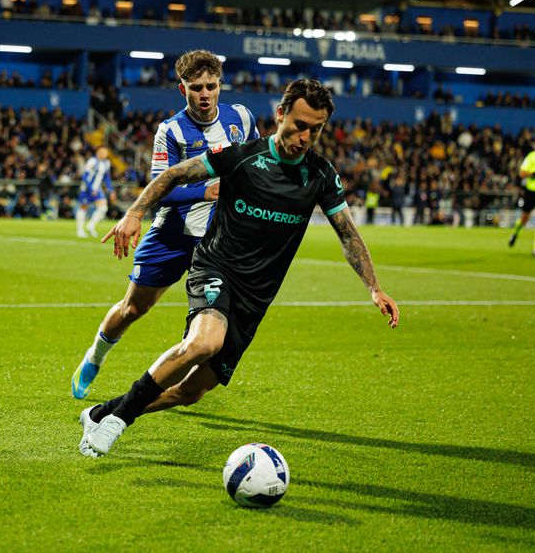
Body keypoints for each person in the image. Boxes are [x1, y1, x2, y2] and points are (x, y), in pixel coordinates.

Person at [78, 78, 399, 457]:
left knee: (191, 391)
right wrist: (135, 213)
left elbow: (347, 234)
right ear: (280, 115)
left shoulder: (320, 175)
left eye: (317, 129)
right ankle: (118, 424)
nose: (306, 136)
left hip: (255, 297)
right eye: (299, 125)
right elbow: (172, 175)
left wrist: (374, 287)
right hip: (215, 267)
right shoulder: (242, 157)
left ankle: (101, 413)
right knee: (203, 342)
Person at [71, 49, 260, 399]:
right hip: (173, 235)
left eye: (211, 86)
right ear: (182, 90)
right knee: (133, 308)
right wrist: (207, 190)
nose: (205, 95)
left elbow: (255, 168)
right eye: (196, 88)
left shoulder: (243, 120)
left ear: (220, 86)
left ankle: (181, 391)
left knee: (215, 328)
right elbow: (162, 191)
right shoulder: (171, 130)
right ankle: (94, 357)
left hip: (219, 244)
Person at [75, 146, 115, 238]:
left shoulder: (107, 163)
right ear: (98, 152)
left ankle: (91, 225)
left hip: (97, 189)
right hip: (86, 189)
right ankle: (79, 230)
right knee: (83, 208)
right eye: (103, 152)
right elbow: (85, 176)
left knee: (103, 208)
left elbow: (106, 178)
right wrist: (90, 188)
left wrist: (111, 190)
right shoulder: (92, 161)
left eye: (106, 152)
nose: (104, 154)